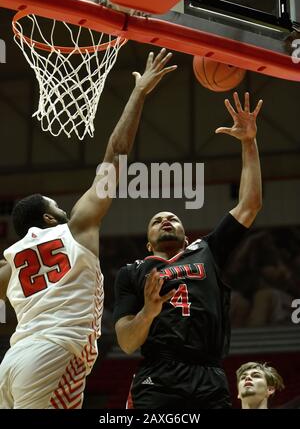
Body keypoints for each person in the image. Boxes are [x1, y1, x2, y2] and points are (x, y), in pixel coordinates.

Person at [0, 48, 177, 409]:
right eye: (57, 207)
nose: (65, 209)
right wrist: (138, 93)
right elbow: (116, 152)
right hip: (55, 353)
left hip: (11, 363)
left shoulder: (10, 264)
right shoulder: (76, 226)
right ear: (49, 219)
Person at [114, 92, 263, 409]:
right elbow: (127, 342)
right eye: (157, 220)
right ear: (148, 241)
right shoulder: (132, 272)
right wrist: (148, 312)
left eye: (173, 218)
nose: (166, 219)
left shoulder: (207, 249)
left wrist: (248, 142)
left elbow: (250, 205)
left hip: (208, 372)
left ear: (185, 235)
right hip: (159, 374)